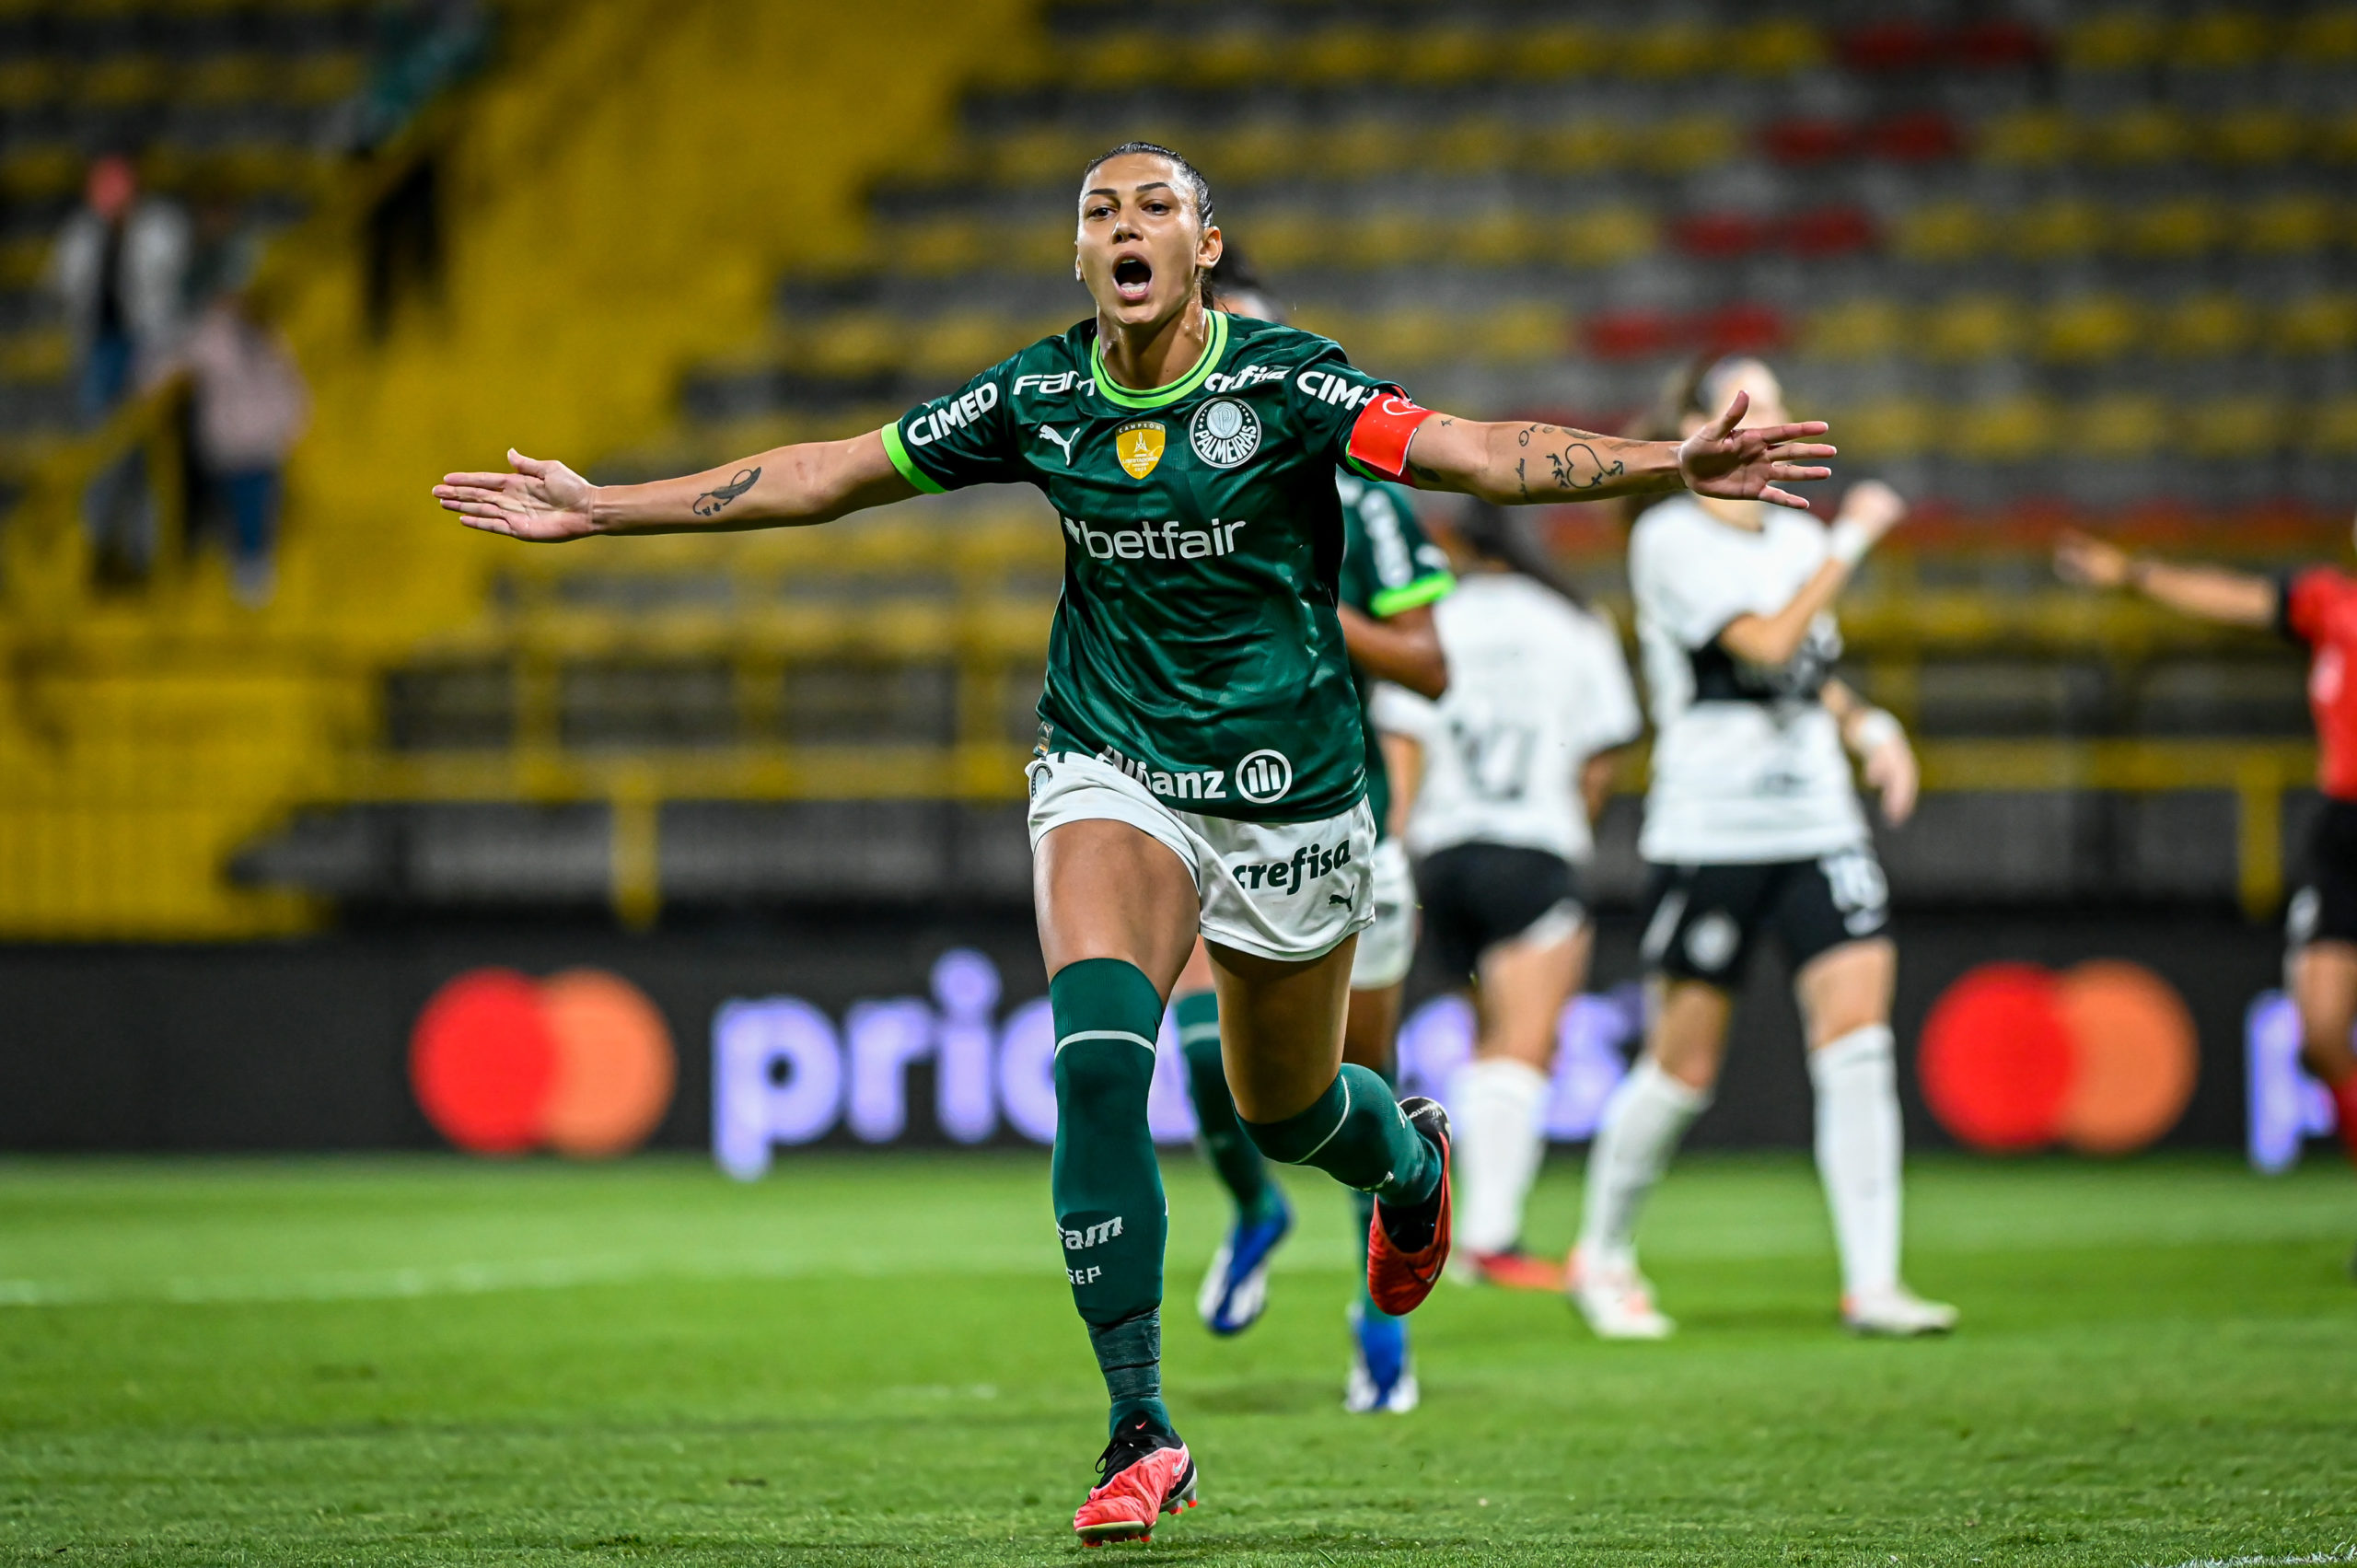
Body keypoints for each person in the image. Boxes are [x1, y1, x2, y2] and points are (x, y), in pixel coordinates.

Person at [434, 144, 1837, 1544]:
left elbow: (1474, 450)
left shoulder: (1288, 381)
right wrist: (604, 505)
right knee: (1098, 1066)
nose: (1125, 224)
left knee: (1288, 1109)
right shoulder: (1039, 395)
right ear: (1084, 252)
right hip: (1112, 767)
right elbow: (827, 472)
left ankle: (1406, 1164)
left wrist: (1668, 460)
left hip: (1293, 794)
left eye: (1154, 204)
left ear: (1204, 246)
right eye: (1100, 208)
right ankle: (1140, 1423)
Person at [1568, 354, 1954, 1341]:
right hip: (1712, 828)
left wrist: (1865, 724)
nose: (1775, 416)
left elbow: (1806, 671)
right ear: (1701, 423)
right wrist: (1858, 538)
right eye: (1753, 402)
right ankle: (1600, 1254)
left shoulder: (1793, 535)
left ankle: (1873, 1281)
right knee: (1681, 1066)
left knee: (1858, 1044)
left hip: (1818, 821)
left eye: (1783, 401)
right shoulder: (1669, 536)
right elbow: (1767, 642)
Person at [1172, 251, 1456, 1416]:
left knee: (1358, 1083)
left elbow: (1431, 663)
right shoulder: (1155, 479)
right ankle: (1250, 1208)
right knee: (1197, 1049)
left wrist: (1295, 592)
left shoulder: (1364, 491)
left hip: (1333, 816)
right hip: (1191, 802)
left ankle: (1378, 1319)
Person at [1373, 500, 1642, 1292]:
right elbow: (1598, 757)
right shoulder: (1572, 624)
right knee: (1522, 1049)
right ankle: (1489, 1236)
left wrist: (1401, 853)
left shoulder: (1432, 624)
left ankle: (1461, 1217)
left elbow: (1401, 754)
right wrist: (1571, 828)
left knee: (1483, 1037)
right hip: (1531, 849)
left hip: (1440, 855)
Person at [2054, 523, 2357, 1194]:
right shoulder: (2331, 601)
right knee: (2322, 1034)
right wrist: (2135, 574)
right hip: (2346, 832)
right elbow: (2236, 596)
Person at [177, 285, 310, 606]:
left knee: (261, 507)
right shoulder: (212, 337)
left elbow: (290, 385)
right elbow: (176, 364)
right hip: (232, 442)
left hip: (260, 443)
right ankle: (242, 566)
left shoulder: (269, 337)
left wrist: (291, 427)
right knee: (235, 507)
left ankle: (254, 566)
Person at [49, 155, 189, 423]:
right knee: (98, 416)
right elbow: (63, 279)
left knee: (147, 417)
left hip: (147, 335)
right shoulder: (83, 230)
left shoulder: (160, 223)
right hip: (100, 335)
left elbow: (176, 273)